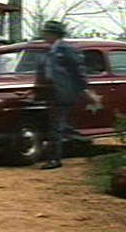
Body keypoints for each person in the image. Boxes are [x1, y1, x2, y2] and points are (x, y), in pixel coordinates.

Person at [35, 20, 95, 170]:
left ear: (55, 34)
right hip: (52, 91)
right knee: (59, 125)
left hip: (63, 92)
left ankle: (55, 159)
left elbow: (79, 71)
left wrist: (86, 90)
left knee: (56, 126)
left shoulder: (66, 49)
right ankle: (82, 141)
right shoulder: (50, 51)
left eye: (47, 32)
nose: (44, 35)